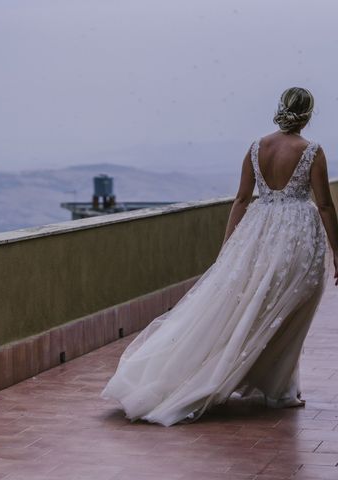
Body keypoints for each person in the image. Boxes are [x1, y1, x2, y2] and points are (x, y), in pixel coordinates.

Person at [100, 87, 338, 427]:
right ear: (309, 114)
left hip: (257, 231)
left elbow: (241, 199)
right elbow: (326, 204)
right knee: (286, 309)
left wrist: (229, 248)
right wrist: (337, 250)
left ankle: (273, 385)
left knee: (254, 305)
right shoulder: (311, 151)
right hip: (296, 235)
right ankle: (278, 389)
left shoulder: (257, 147)